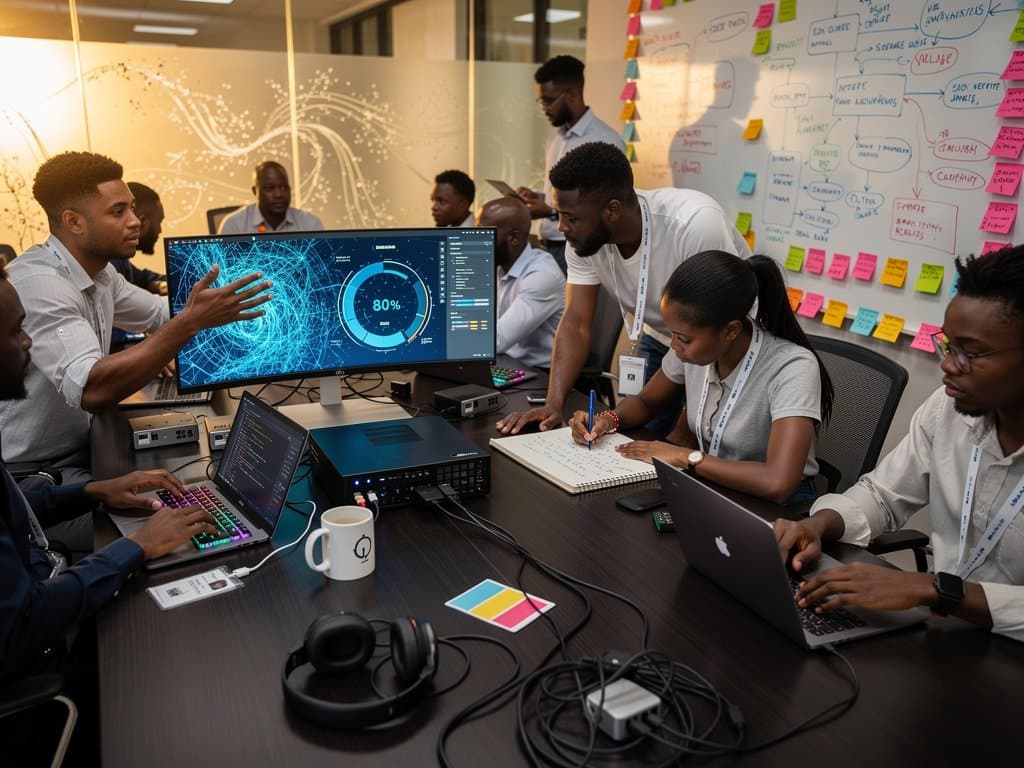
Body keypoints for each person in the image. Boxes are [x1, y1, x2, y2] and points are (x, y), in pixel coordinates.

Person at [0, 261, 218, 765]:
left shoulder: (104, 280)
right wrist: (134, 548)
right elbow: (24, 624)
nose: (29, 344)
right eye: (15, 332)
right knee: (172, 678)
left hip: (44, 591)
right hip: (45, 670)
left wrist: (95, 491)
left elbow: (13, 509)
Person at [774, 245, 1024, 641]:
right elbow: (882, 495)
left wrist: (933, 589)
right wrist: (818, 524)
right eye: (948, 346)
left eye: (970, 353)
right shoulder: (949, 409)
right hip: (948, 635)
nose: (947, 364)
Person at [0, 151, 271, 494]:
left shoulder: (101, 275)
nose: (135, 221)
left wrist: (219, 304)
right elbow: (92, 389)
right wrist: (191, 321)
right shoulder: (42, 285)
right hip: (32, 476)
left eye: (131, 207)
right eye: (118, 211)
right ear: (73, 222)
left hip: (83, 449)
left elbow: (161, 315)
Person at [496, 141, 751, 438]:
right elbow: (576, 321)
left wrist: (679, 438)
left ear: (612, 211)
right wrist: (554, 403)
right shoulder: (583, 239)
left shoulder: (693, 225)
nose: (562, 227)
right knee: (639, 433)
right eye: (559, 214)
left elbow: (717, 328)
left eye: (571, 218)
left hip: (727, 341)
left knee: (699, 440)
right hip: (663, 337)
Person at [570, 251, 833, 505]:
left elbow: (778, 482)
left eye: (683, 339)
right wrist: (606, 420)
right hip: (713, 486)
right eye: (672, 334)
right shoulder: (694, 351)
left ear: (730, 331)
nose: (674, 345)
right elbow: (647, 402)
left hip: (776, 509)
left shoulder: (792, 367)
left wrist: (684, 457)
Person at [515, 55, 626, 275]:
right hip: (547, 245)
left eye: (548, 100)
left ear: (572, 94)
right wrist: (539, 198)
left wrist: (549, 211)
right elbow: (567, 194)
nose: (545, 108)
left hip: (578, 250)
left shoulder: (605, 141)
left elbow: (602, 207)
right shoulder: (556, 139)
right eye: (542, 102)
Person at [477, 197, 565, 369]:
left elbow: (495, 341)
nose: (475, 241)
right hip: (507, 363)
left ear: (514, 238)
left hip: (541, 376)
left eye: (483, 233)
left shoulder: (541, 276)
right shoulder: (498, 265)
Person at [109, 182, 167, 351]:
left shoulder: (121, 262)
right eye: (160, 222)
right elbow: (117, 334)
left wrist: (160, 284)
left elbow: (143, 277)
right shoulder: (109, 266)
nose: (160, 230)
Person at [217, 161, 323, 234]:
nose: (278, 194)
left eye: (283, 187)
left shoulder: (310, 224)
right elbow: (223, 265)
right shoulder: (234, 225)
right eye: (270, 188)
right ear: (255, 191)